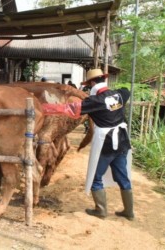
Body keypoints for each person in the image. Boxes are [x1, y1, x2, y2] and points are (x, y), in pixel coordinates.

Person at [42, 68, 134, 220]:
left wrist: (44, 108)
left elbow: (69, 109)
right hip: (123, 142)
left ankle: (101, 210)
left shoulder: (94, 101)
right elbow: (126, 91)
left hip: (106, 144)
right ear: (103, 79)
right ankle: (129, 212)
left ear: (92, 83)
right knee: (122, 177)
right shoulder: (120, 94)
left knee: (95, 178)